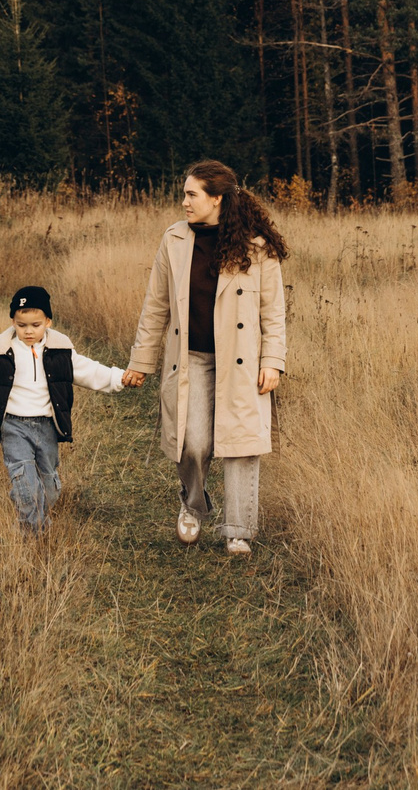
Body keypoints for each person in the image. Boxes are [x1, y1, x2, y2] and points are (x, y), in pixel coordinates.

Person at [121, 160, 289, 555]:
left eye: (192, 194)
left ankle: (238, 530)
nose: (184, 202)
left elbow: (273, 311)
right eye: (184, 194)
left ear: (216, 199)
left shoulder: (256, 245)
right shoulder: (174, 240)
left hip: (242, 361)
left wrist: (273, 361)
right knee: (192, 442)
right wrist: (141, 362)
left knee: (241, 444)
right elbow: (156, 306)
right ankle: (194, 506)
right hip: (191, 357)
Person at [0, 286, 131, 534]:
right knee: (25, 482)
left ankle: (36, 514)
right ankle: (31, 536)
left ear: (48, 321)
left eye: (35, 325)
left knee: (50, 487)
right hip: (13, 425)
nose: (29, 331)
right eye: (22, 325)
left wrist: (121, 378)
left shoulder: (60, 351)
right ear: (13, 322)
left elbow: (90, 371)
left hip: (46, 426)